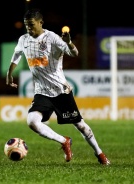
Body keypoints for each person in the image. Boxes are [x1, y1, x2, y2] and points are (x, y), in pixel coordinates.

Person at [6, 9, 110, 165]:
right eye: (27, 25)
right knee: (32, 121)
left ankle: (100, 154)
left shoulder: (52, 38)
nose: (29, 28)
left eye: (31, 25)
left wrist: (68, 42)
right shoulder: (24, 39)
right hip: (42, 92)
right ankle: (64, 141)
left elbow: (74, 53)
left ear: (40, 23)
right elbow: (16, 54)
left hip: (60, 91)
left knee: (81, 126)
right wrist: (9, 73)